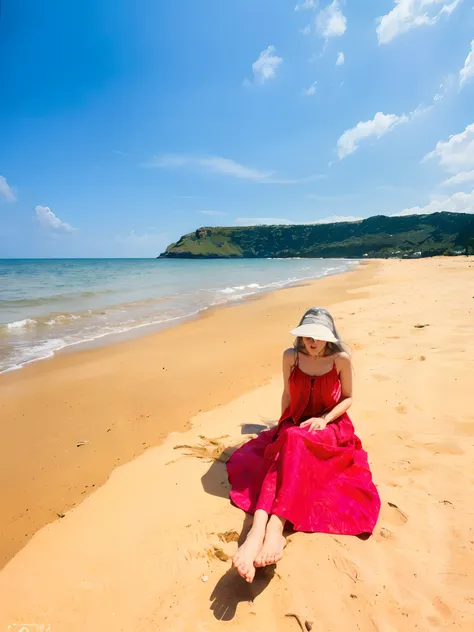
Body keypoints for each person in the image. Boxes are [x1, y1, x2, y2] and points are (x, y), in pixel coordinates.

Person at [226, 307, 381, 583]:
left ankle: (273, 526)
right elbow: (287, 392)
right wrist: (281, 427)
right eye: (308, 336)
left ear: (329, 337)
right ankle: (258, 531)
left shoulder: (340, 360)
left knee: (294, 440)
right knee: (289, 438)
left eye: (319, 337)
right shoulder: (291, 357)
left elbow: (348, 398)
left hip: (331, 427)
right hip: (295, 424)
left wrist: (324, 419)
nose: (313, 342)